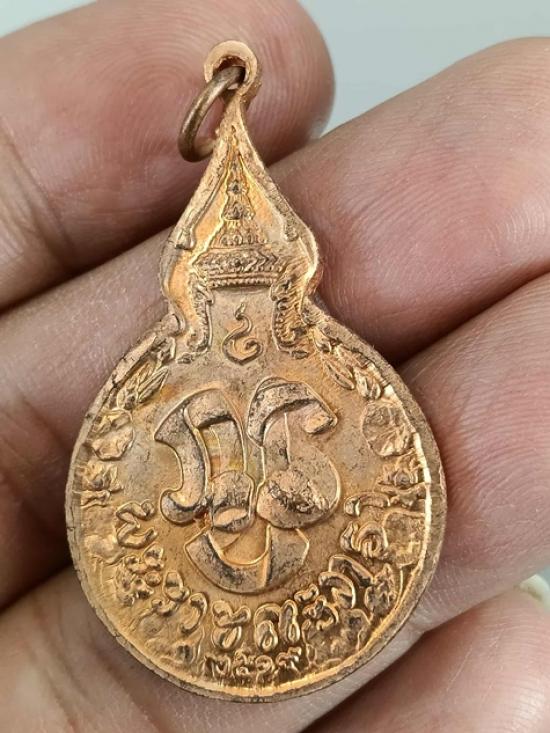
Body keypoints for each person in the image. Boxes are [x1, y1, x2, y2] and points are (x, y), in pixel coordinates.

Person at [0, 1, 549, 730]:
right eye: (226, 306)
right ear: (197, 298)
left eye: (255, 302)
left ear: (286, 291)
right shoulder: (177, 392)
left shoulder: (311, 384)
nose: (241, 324)